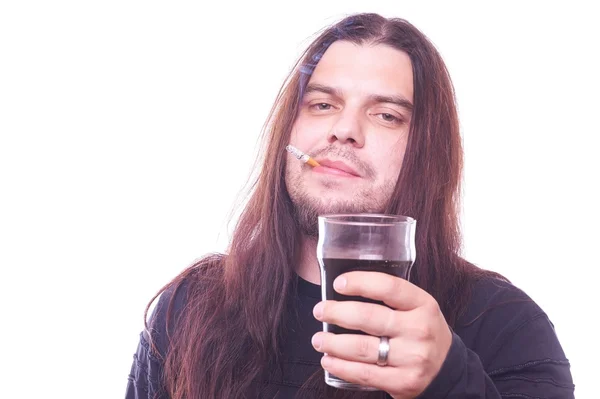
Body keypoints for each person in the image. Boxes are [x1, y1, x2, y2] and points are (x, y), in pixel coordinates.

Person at [125, 12, 575, 399]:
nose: (344, 129)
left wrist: (449, 381)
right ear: (289, 134)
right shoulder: (189, 308)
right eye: (322, 104)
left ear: (428, 153)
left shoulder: (508, 327)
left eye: (386, 115)